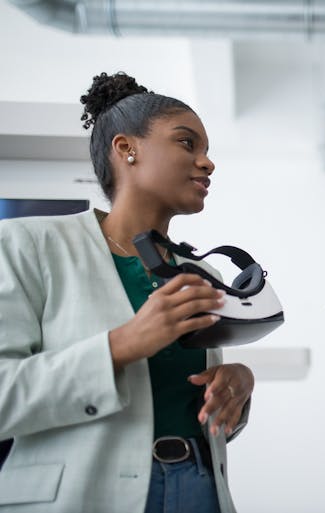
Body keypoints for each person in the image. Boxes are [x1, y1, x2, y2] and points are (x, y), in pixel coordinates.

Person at [0, 71, 255, 513]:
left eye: (208, 151)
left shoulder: (201, 272)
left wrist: (237, 391)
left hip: (200, 491)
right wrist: (121, 345)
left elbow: (185, 404)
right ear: (126, 148)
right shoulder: (26, 245)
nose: (208, 163)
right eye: (187, 143)